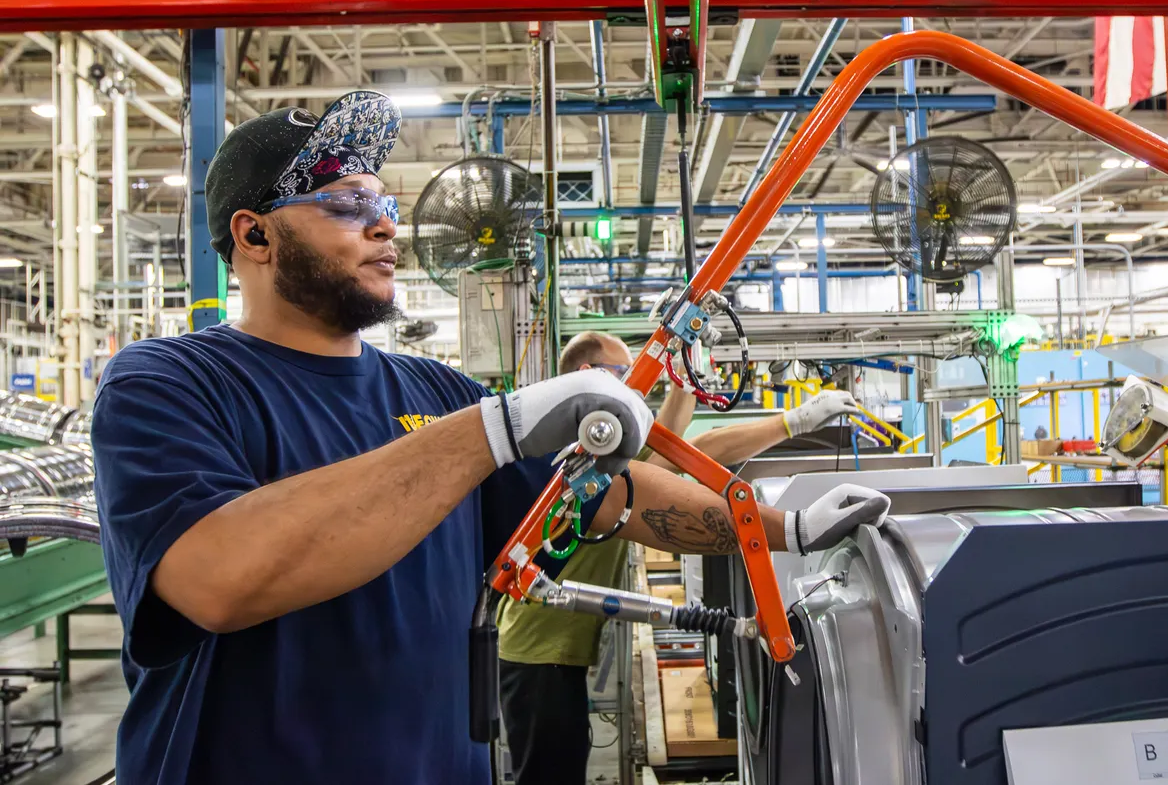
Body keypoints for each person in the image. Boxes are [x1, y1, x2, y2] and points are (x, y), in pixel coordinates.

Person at [90, 91, 891, 785]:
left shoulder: (429, 390)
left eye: (384, 204)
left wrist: (781, 527)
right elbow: (216, 579)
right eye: (343, 204)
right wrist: (490, 429)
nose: (383, 226)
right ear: (255, 237)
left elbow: (604, 493)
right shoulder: (169, 383)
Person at [497, 331, 861, 785]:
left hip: (550, 650)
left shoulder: (600, 445)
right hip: (538, 653)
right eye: (626, 376)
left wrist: (686, 380)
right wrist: (793, 511)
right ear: (589, 376)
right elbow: (687, 461)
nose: (635, 390)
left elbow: (678, 448)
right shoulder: (579, 453)